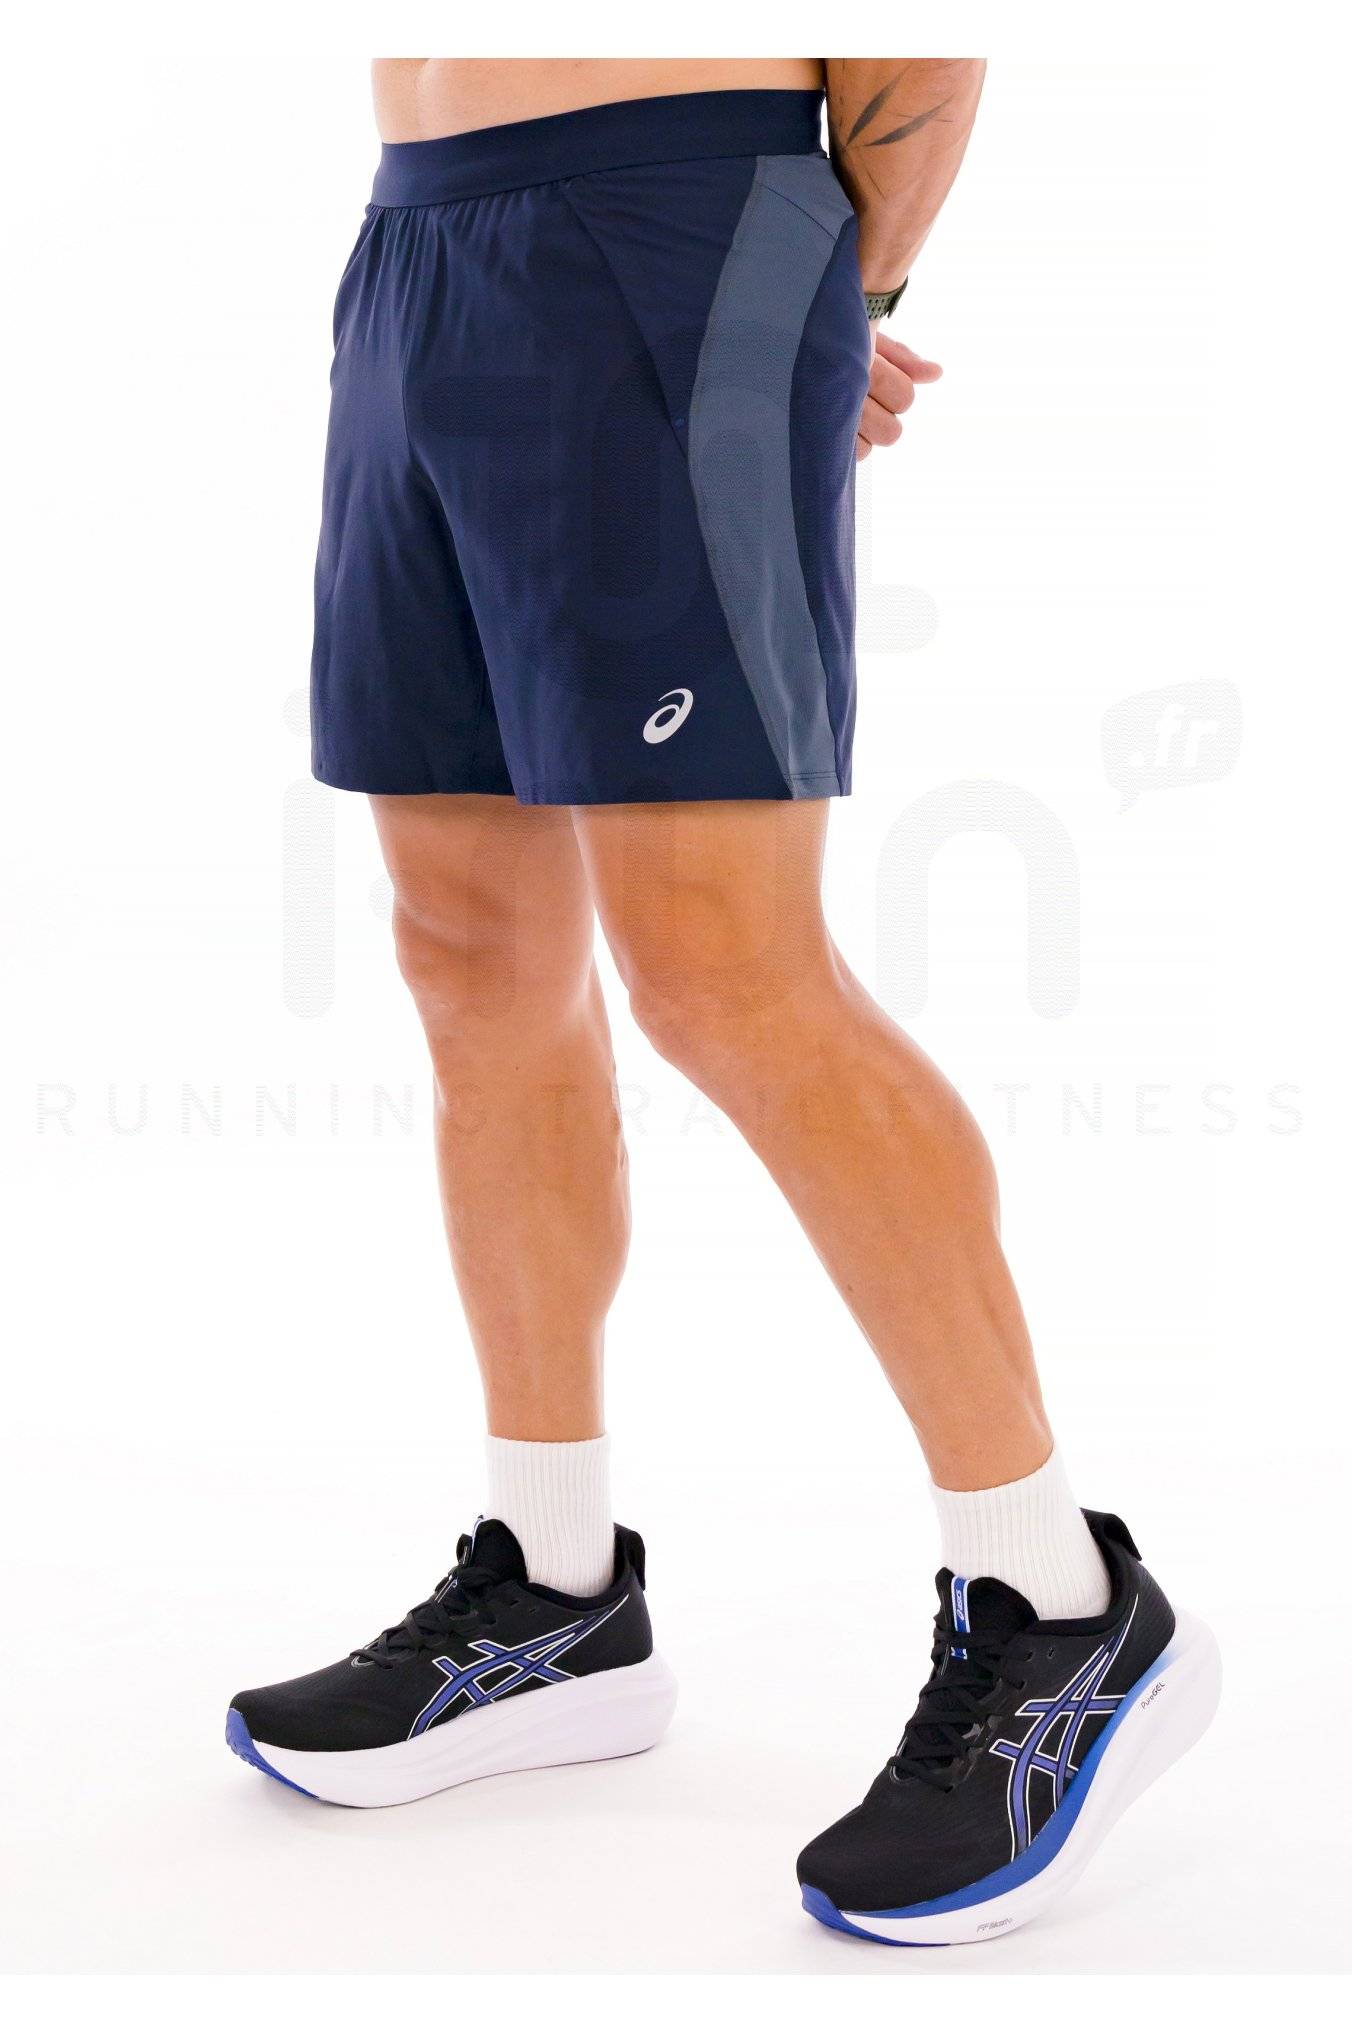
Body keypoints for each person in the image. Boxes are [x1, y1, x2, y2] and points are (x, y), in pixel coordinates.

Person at [227, 58, 1218, 1946]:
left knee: (724, 971)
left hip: (677, 219)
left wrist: (822, 306)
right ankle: (555, 1589)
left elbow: (920, 53)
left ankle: (1063, 1601)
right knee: (469, 954)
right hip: (420, 242)